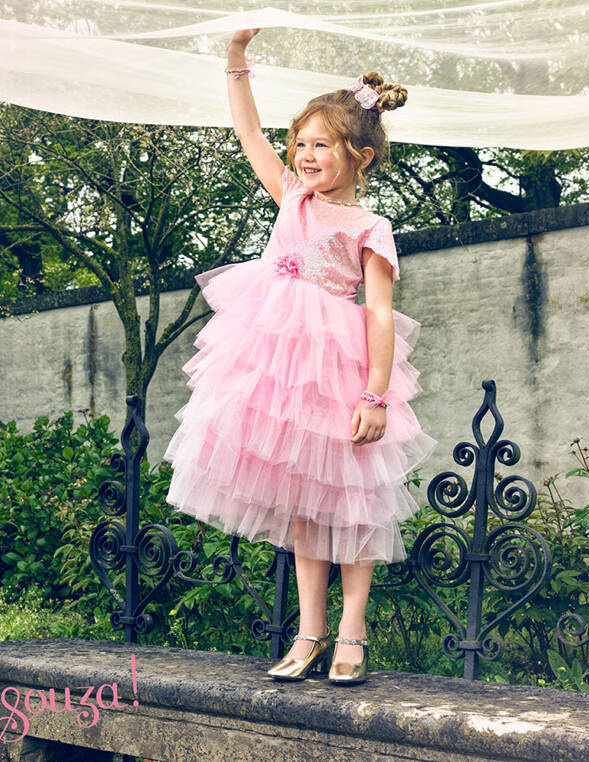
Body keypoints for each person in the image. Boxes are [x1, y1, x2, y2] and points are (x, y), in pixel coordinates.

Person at [163, 27, 437, 685]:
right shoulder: (291, 197)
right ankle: (309, 632)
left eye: (322, 146)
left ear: (360, 157)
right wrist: (236, 61)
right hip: (283, 371)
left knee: (355, 503)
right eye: (301, 143)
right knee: (307, 508)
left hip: (339, 371)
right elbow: (248, 134)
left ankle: (352, 631)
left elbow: (377, 312)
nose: (306, 156)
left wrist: (375, 395)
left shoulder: (370, 228)